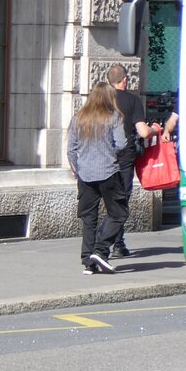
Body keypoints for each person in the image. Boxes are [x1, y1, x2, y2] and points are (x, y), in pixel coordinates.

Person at [67, 81, 128, 274]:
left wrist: (78, 169)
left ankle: (88, 261)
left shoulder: (79, 118)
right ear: (109, 98)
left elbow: (71, 150)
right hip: (108, 172)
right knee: (119, 213)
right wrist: (110, 152)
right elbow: (121, 143)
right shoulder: (114, 117)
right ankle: (101, 251)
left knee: (89, 218)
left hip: (85, 175)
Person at [107, 64, 153, 258]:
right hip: (125, 156)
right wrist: (155, 130)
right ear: (125, 80)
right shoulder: (132, 101)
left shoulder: (102, 101)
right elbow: (143, 132)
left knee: (107, 198)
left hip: (103, 155)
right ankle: (117, 243)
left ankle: (96, 244)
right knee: (122, 198)